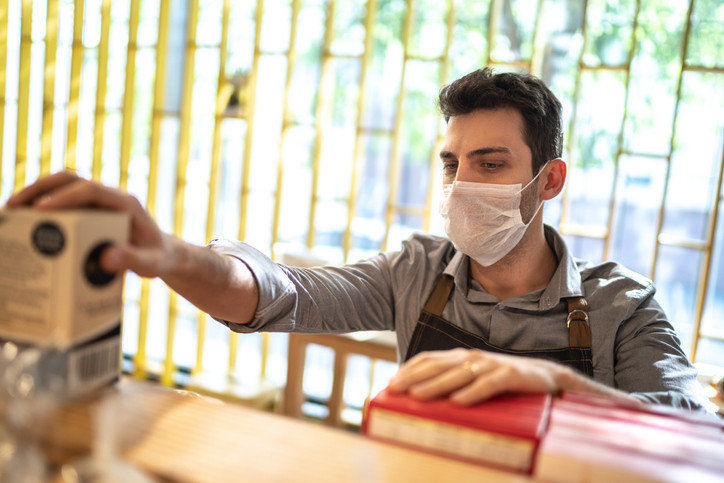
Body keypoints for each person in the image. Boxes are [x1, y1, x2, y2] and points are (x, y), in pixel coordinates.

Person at [5, 68, 711, 412]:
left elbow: (699, 433)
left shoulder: (623, 305)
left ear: (549, 180)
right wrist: (171, 257)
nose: (461, 183)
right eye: (450, 163)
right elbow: (286, 293)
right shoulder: (418, 270)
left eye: (490, 164)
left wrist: (561, 385)